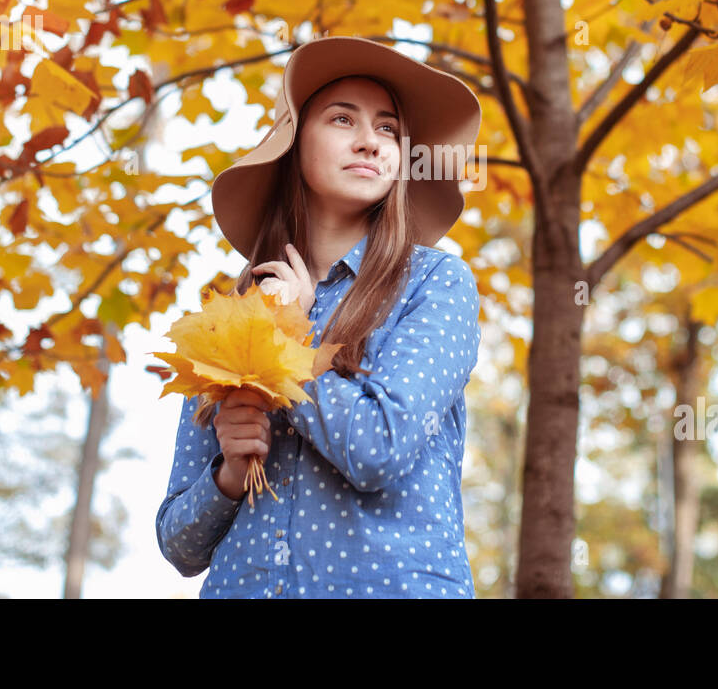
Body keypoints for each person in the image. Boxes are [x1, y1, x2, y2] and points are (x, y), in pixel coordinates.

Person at [156, 35, 484, 598]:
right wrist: (230, 476)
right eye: (342, 119)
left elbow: (379, 447)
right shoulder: (229, 319)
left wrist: (295, 336)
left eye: (387, 129)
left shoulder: (436, 284)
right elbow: (178, 546)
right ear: (293, 144)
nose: (370, 141)